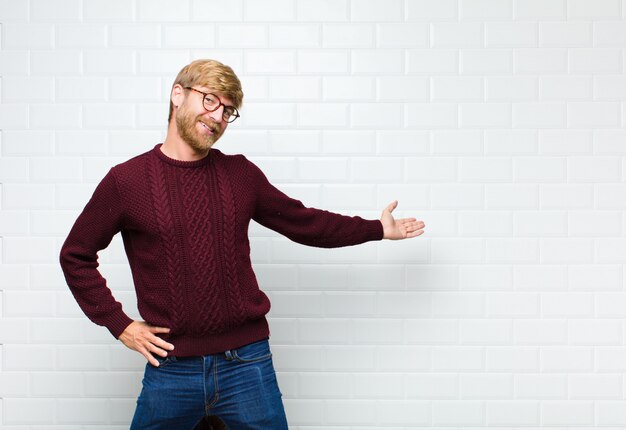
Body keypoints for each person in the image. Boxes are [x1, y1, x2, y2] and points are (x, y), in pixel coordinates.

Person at [59, 59, 425, 429]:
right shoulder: (127, 181)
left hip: (247, 363)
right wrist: (120, 324)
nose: (218, 117)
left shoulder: (240, 175)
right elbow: (76, 255)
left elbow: (305, 223)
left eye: (228, 110)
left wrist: (377, 229)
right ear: (177, 95)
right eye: (210, 101)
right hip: (172, 367)